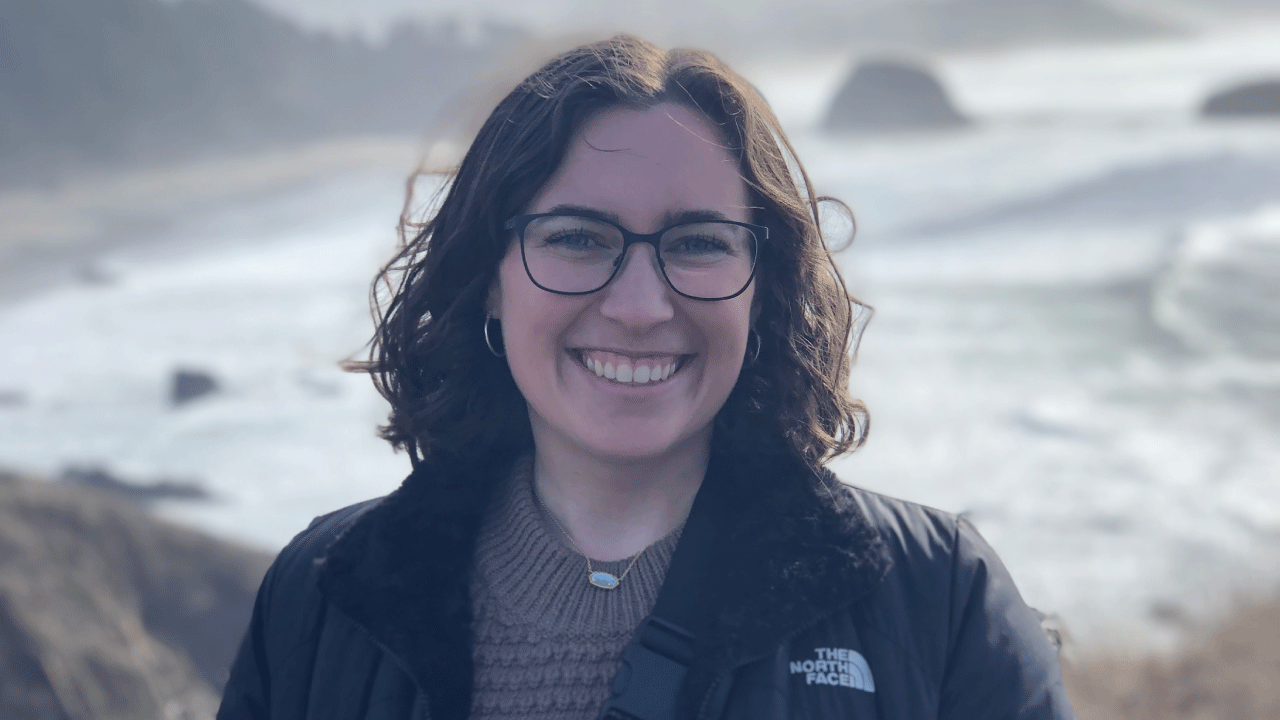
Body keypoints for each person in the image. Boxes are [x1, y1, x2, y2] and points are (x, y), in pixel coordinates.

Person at [217, 35, 1076, 720]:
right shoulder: (320, 596)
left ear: (762, 287)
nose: (638, 305)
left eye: (697, 242)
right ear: (489, 274)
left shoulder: (939, 599)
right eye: (577, 237)